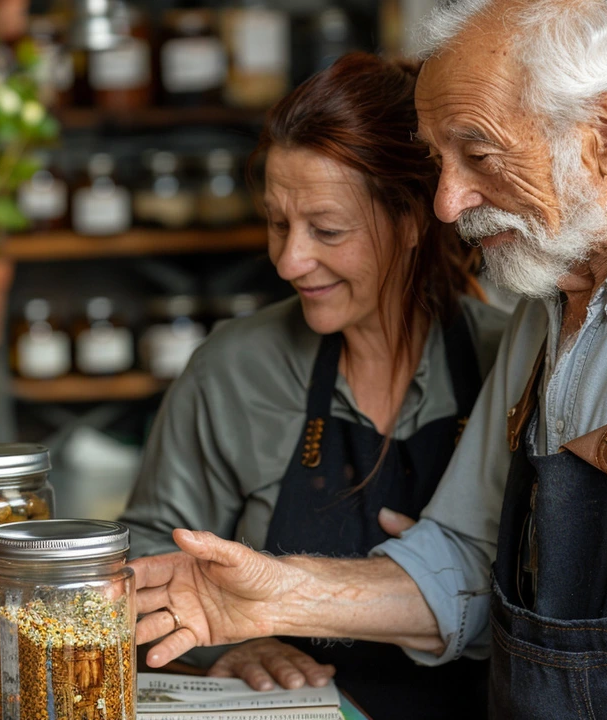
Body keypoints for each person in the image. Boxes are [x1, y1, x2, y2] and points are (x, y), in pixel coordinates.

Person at [130, 1, 607, 718]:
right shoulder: (541, 314)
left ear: (604, 134)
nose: (448, 202)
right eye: (437, 161)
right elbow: (462, 563)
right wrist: (273, 595)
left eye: (478, 152)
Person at [119, 53, 508, 719]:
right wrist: (232, 646)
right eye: (277, 222)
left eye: (326, 230)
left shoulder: (508, 361)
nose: (289, 259)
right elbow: (147, 558)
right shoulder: (234, 369)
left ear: (414, 218)